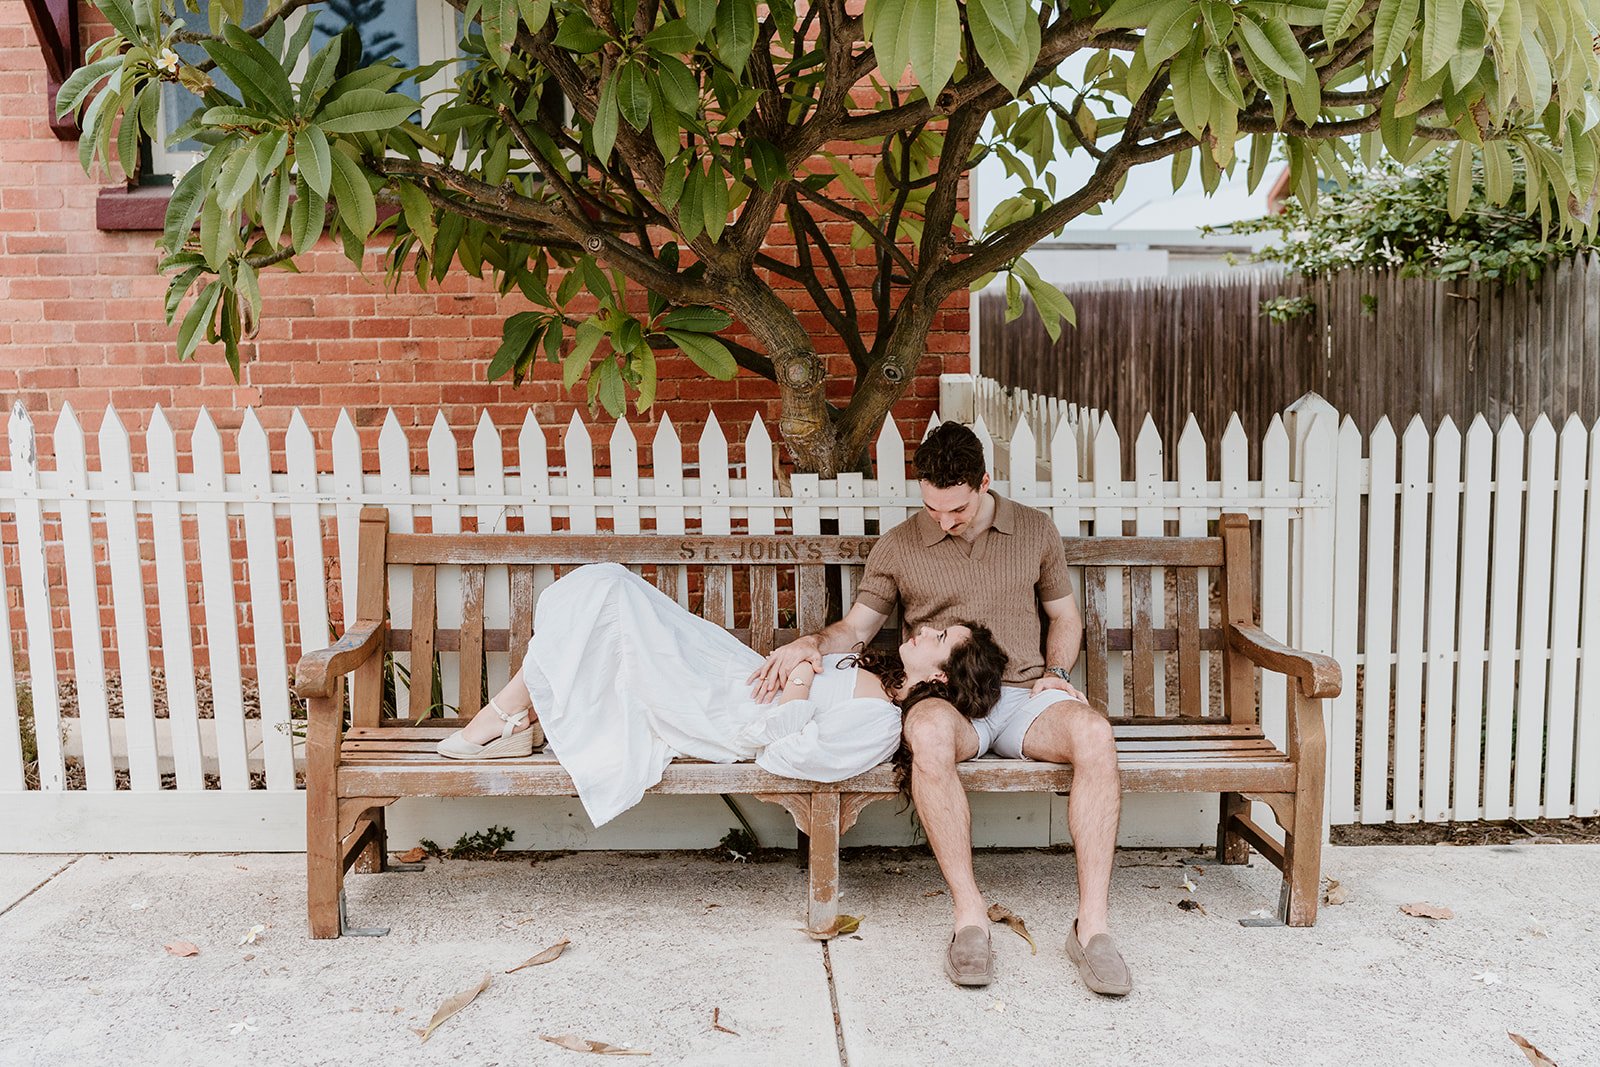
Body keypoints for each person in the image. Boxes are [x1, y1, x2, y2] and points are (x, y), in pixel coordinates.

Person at [749, 422, 1130, 996]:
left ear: (983, 483)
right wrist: (809, 643)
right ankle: (970, 918)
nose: (943, 521)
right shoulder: (900, 545)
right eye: (931, 507)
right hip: (951, 704)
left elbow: (1064, 617)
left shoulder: (1033, 530)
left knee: (1096, 735)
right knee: (924, 731)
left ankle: (1092, 929)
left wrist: (1055, 675)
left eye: (955, 509)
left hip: (1026, 697)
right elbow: (857, 629)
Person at [433, 562, 1007, 830]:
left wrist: (804, 676)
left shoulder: (881, 725)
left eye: (938, 640)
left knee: (608, 596)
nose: (924, 629)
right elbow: (796, 676)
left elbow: (783, 756)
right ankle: (510, 716)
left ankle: (503, 717)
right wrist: (803, 659)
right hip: (731, 673)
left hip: (721, 712)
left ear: (939, 680)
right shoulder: (875, 672)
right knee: (608, 588)